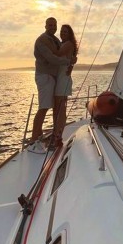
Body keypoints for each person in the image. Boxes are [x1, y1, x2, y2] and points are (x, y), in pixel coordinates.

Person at [30, 17, 70, 152]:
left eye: (54, 25)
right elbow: (51, 58)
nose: (53, 27)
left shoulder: (55, 40)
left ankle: (43, 136)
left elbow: (61, 51)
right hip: (45, 76)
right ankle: (34, 139)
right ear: (45, 25)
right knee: (43, 107)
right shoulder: (42, 40)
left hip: (52, 78)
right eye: (50, 25)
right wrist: (67, 61)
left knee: (50, 107)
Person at [52, 24, 78, 147]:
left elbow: (57, 53)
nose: (62, 33)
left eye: (65, 32)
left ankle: (58, 136)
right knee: (58, 108)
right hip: (63, 78)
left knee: (61, 108)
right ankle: (57, 134)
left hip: (63, 79)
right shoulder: (65, 44)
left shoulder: (67, 44)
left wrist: (45, 43)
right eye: (61, 31)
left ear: (70, 34)